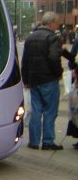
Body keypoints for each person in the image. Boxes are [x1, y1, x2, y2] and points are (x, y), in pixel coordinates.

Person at [21, 11, 64, 150]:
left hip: (34, 80)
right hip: (49, 79)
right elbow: (54, 58)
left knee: (36, 111)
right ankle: (48, 141)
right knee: (50, 112)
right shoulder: (53, 38)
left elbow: (25, 61)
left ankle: (34, 142)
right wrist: (59, 73)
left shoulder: (30, 37)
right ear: (51, 23)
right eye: (57, 23)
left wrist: (26, 80)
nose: (58, 25)